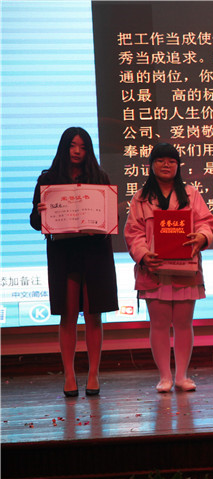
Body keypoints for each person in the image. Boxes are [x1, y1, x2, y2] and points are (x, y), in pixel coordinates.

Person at [30, 127, 119, 397]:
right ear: (64, 147)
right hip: (64, 254)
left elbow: (111, 219)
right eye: (72, 145)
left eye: (82, 146)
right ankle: (69, 375)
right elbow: (35, 222)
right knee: (67, 315)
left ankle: (93, 374)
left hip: (95, 252)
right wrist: (40, 213)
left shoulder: (100, 178)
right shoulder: (48, 179)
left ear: (88, 150)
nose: (77, 151)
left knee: (94, 314)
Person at [124, 143, 213, 392]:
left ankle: (182, 376)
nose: (166, 165)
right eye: (161, 160)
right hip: (154, 271)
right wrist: (143, 255)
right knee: (159, 324)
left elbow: (206, 223)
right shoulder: (140, 197)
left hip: (186, 269)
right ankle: (164, 377)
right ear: (151, 165)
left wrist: (202, 237)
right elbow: (133, 232)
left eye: (172, 161)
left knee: (184, 324)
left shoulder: (191, 194)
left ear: (178, 166)